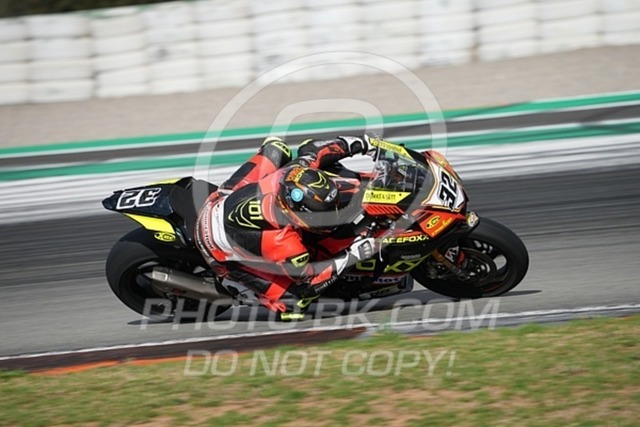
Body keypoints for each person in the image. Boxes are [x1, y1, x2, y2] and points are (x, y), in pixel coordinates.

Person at [195, 135, 377, 320]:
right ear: (292, 214)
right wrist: (353, 255)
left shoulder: (293, 172)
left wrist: (363, 143)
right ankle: (233, 282)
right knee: (294, 305)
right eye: (318, 217)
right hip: (217, 250)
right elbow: (309, 282)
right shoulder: (284, 243)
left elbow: (313, 148)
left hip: (222, 198)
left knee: (276, 146)